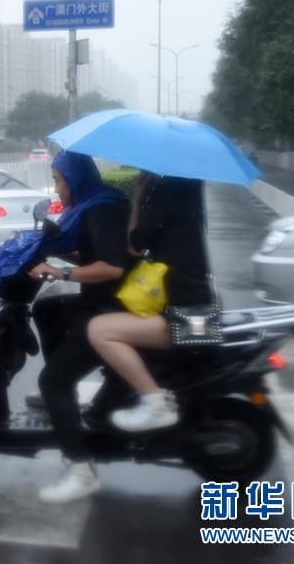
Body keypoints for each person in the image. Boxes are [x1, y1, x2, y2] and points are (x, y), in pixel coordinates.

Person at [26, 151, 130, 504]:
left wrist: (60, 272)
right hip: (101, 299)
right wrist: (53, 254)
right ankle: (64, 390)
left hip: (110, 307)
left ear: (75, 179)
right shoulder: (95, 203)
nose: (56, 188)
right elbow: (94, 255)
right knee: (47, 309)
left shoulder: (101, 209)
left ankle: (81, 471)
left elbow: (112, 267)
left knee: (51, 382)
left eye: (58, 180)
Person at [87, 173, 213, 431]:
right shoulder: (188, 189)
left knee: (99, 330)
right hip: (194, 308)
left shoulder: (170, 192)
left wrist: (138, 195)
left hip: (185, 316)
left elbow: (135, 244)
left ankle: (156, 405)